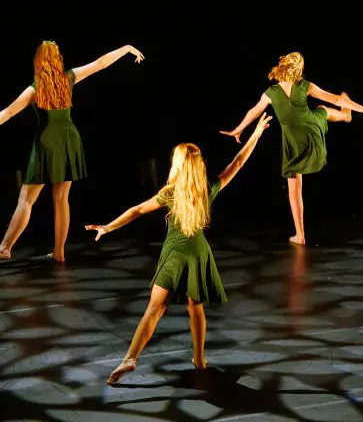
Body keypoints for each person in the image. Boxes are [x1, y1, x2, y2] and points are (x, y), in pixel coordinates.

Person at [86, 113, 272, 385]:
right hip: (198, 253)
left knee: (154, 309)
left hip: (175, 254)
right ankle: (199, 359)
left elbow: (137, 210)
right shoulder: (208, 189)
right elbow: (239, 161)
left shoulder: (170, 193)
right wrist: (256, 134)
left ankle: (130, 358)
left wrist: (108, 227)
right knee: (195, 307)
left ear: (178, 165)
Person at [220, 52, 363, 245]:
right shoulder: (306, 86)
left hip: (294, 140)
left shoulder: (271, 92)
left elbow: (254, 112)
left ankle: (300, 235)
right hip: (310, 131)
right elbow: (337, 100)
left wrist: (238, 130)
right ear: (298, 70)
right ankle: (345, 116)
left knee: (294, 189)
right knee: (323, 110)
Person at [0, 42, 145, 262]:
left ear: (38, 61)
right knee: (61, 199)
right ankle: (59, 252)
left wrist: (125, 48)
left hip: (47, 145)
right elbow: (100, 64)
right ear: (57, 59)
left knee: (26, 200)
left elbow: (8, 112)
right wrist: (126, 49)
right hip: (69, 141)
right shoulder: (68, 78)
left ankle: (4, 248)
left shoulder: (35, 88)